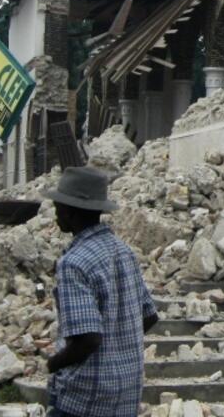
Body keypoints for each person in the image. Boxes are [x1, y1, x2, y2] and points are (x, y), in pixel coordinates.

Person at [43, 166, 158, 417]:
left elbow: (88, 339)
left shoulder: (74, 262)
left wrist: (53, 364)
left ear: (72, 213)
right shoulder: (124, 252)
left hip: (85, 398)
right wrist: (118, 348)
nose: (55, 214)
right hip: (126, 394)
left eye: (58, 208)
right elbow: (149, 316)